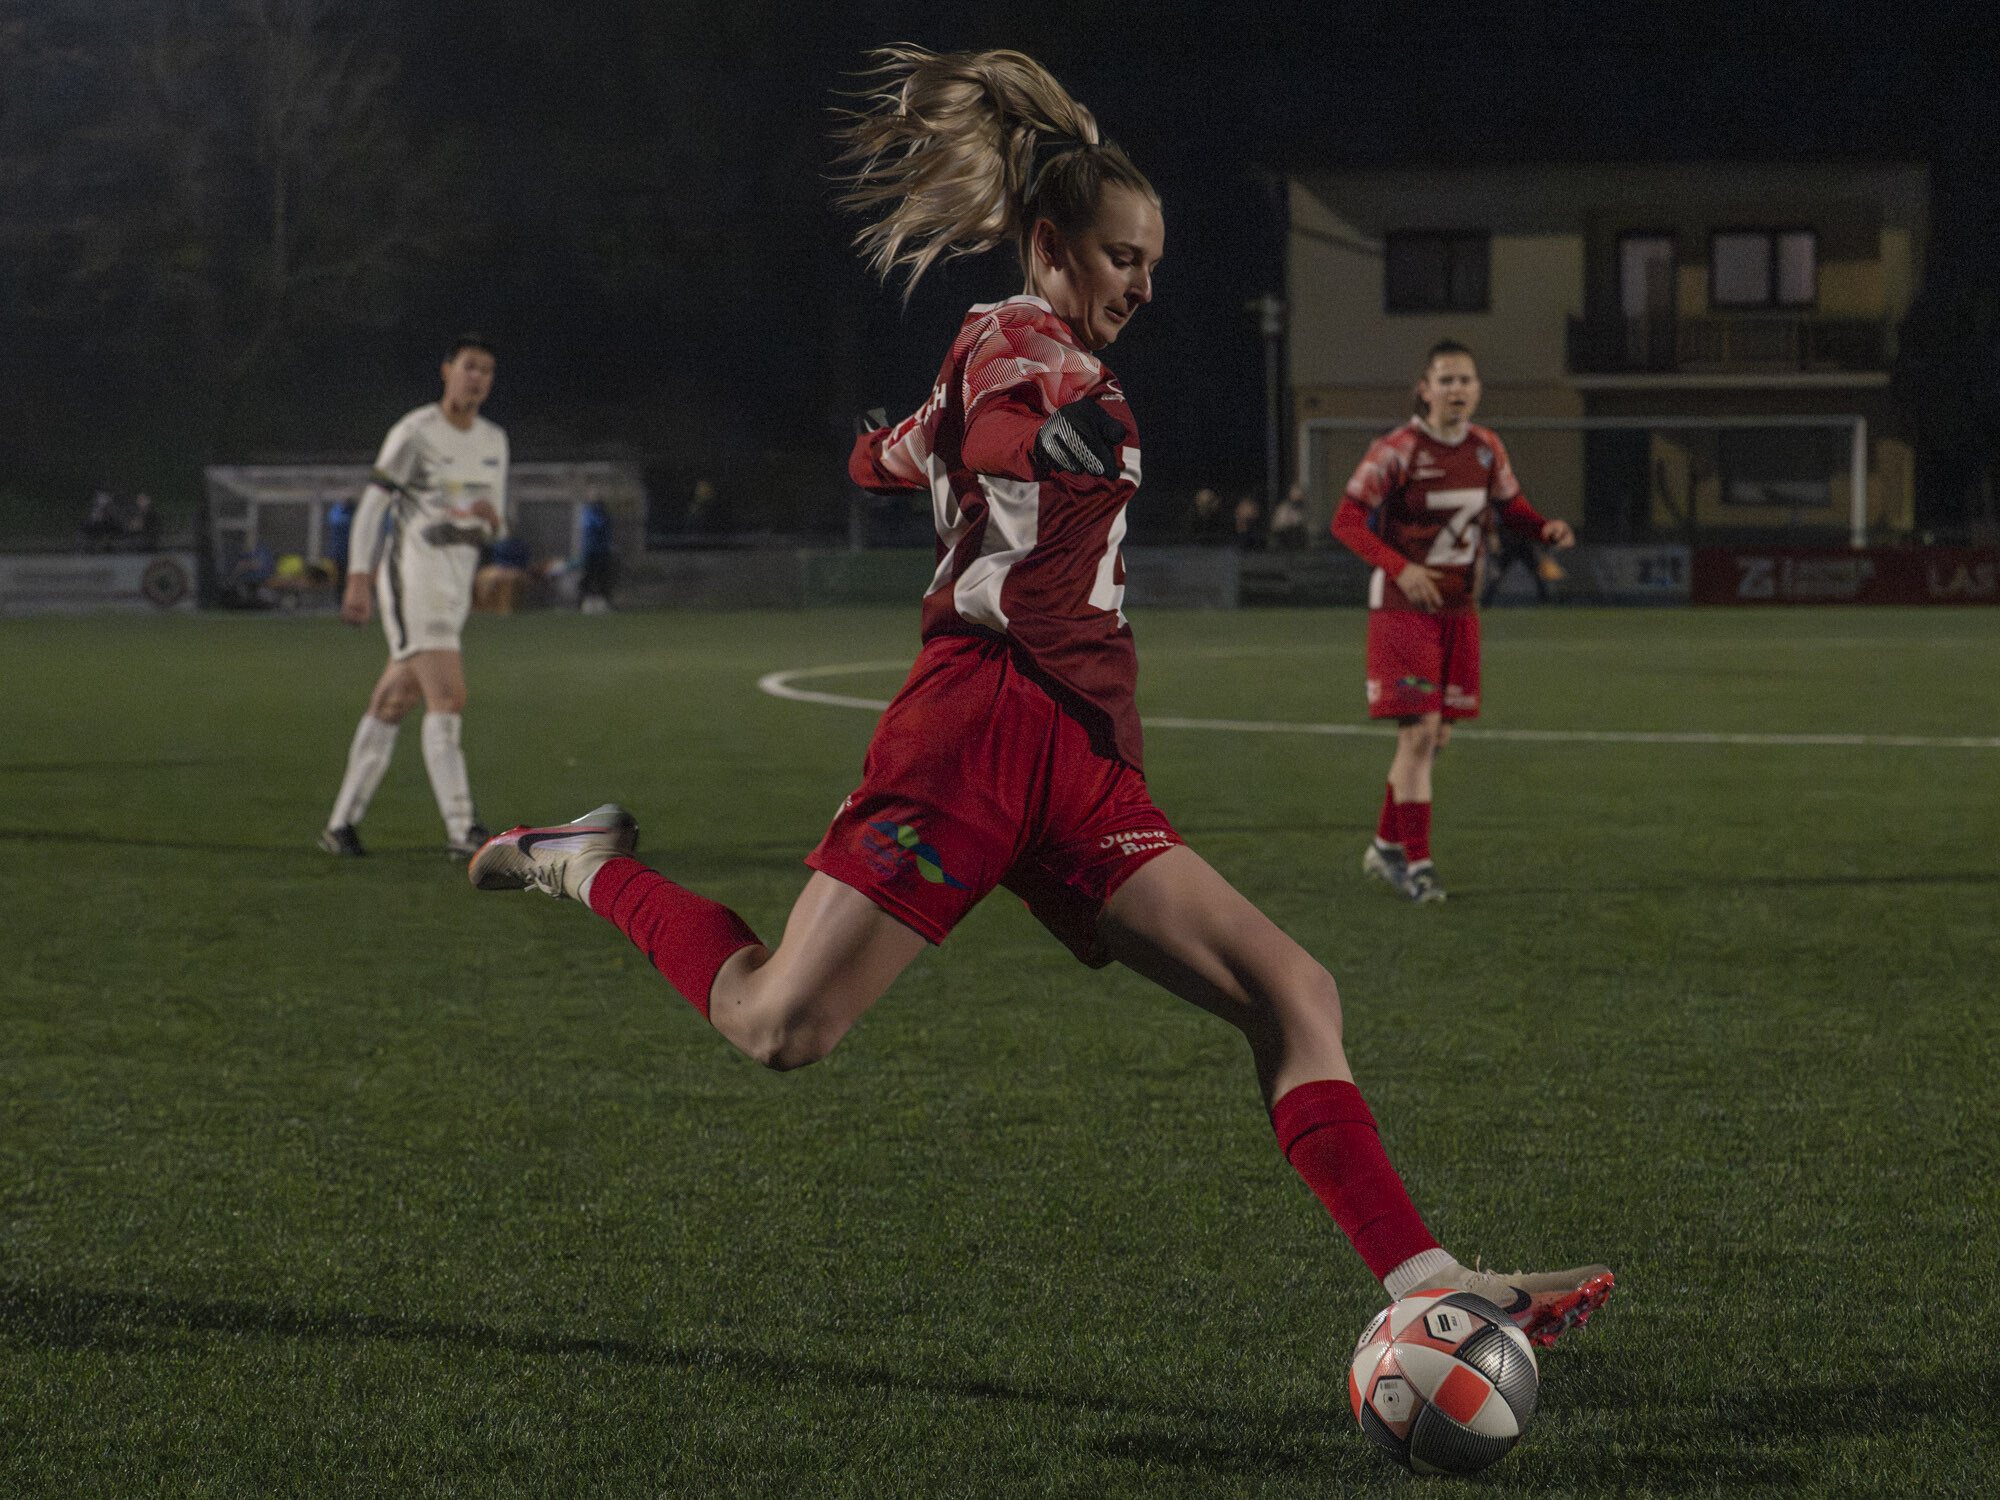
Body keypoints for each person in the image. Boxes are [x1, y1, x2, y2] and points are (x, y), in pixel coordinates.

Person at [468, 48, 1612, 1345]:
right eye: (1124, 258)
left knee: (1296, 992)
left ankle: (1429, 1283)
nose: (1143, 285)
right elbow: (995, 427)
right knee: (779, 1025)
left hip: (1080, 759)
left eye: (1154, 264)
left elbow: (902, 450)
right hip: (974, 731)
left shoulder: (1033, 363)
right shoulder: (1012, 339)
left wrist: (890, 448)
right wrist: (1025, 442)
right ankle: (586, 866)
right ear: (1052, 244)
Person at [1331, 340, 1575, 903]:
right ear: (1425, 389)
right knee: (1418, 734)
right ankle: (1417, 865)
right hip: (1404, 610)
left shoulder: (1487, 447)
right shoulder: (1396, 450)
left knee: (1435, 737)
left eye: (1466, 379)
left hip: (1460, 609)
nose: (1457, 389)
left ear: (1478, 389)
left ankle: (1385, 847)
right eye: (1446, 380)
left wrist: (1544, 529)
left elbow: (1512, 510)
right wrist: (1401, 568)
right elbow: (1346, 521)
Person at [321, 334, 509, 860]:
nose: (477, 378)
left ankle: (340, 825)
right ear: (447, 370)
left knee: (393, 701)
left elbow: (495, 522)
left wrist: (493, 523)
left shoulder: (494, 440)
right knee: (449, 696)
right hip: (412, 580)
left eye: (487, 370)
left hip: (455, 587)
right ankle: (463, 829)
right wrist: (358, 578)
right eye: (469, 366)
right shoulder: (414, 432)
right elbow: (373, 506)